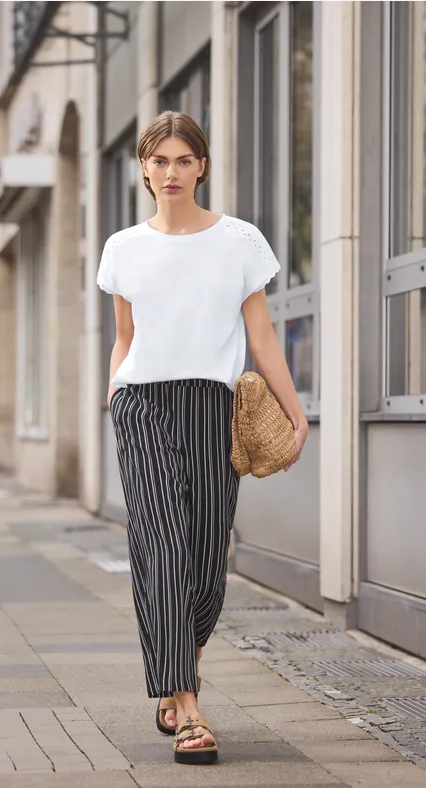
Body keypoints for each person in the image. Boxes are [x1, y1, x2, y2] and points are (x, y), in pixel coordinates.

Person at [97, 111, 309, 765]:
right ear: (142, 169)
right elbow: (125, 337)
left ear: (202, 166)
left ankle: (172, 671)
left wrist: (294, 411)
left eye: (181, 160)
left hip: (211, 407)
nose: (168, 172)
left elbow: (261, 337)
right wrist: (113, 395)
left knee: (205, 567)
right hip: (141, 405)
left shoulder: (239, 241)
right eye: (156, 161)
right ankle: (187, 707)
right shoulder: (122, 247)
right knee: (160, 546)